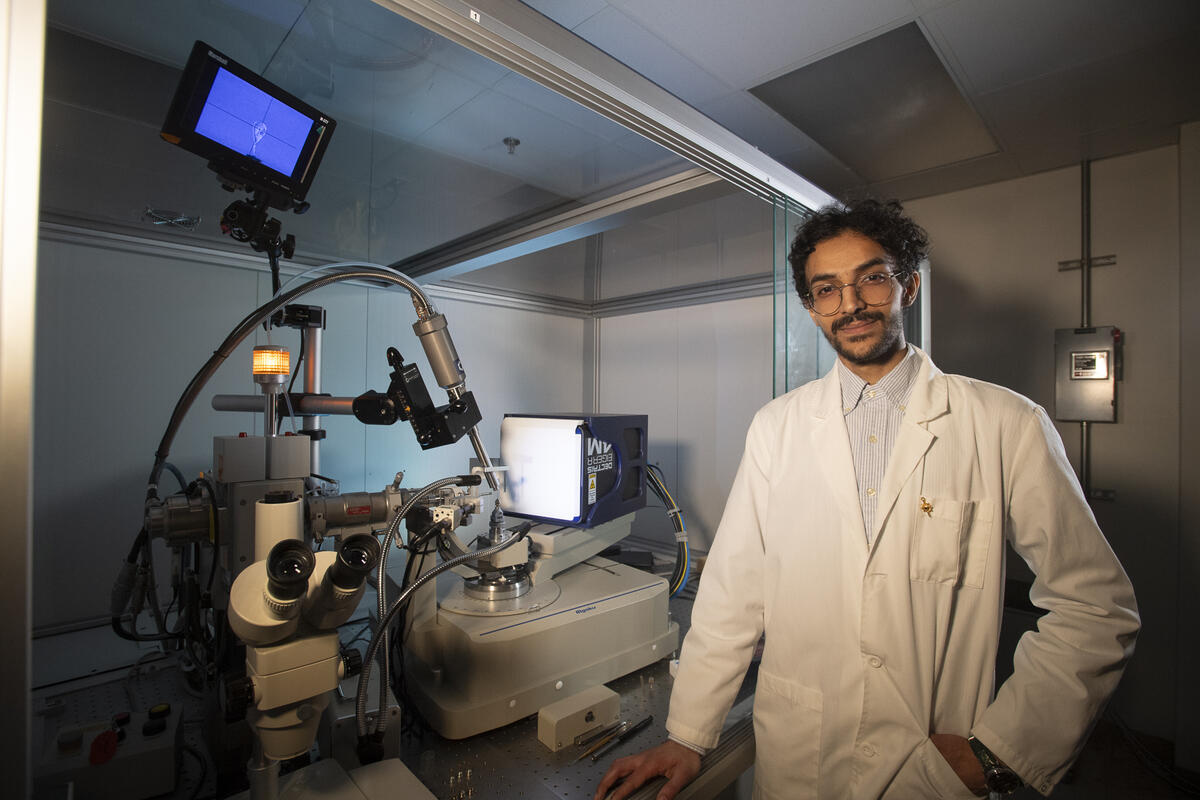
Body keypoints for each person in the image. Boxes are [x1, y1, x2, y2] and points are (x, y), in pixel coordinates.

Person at [594, 199, 1139, 800]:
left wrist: (1001, 752)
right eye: (826, 289)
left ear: (907, 284)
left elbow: (1095, 610)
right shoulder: (778, 426)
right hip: (800, 758)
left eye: (870, 279)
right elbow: (733, 591)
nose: (849, 304)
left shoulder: (1004, 422)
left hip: (932, 766)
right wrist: (688, 733)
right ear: (809, 307)